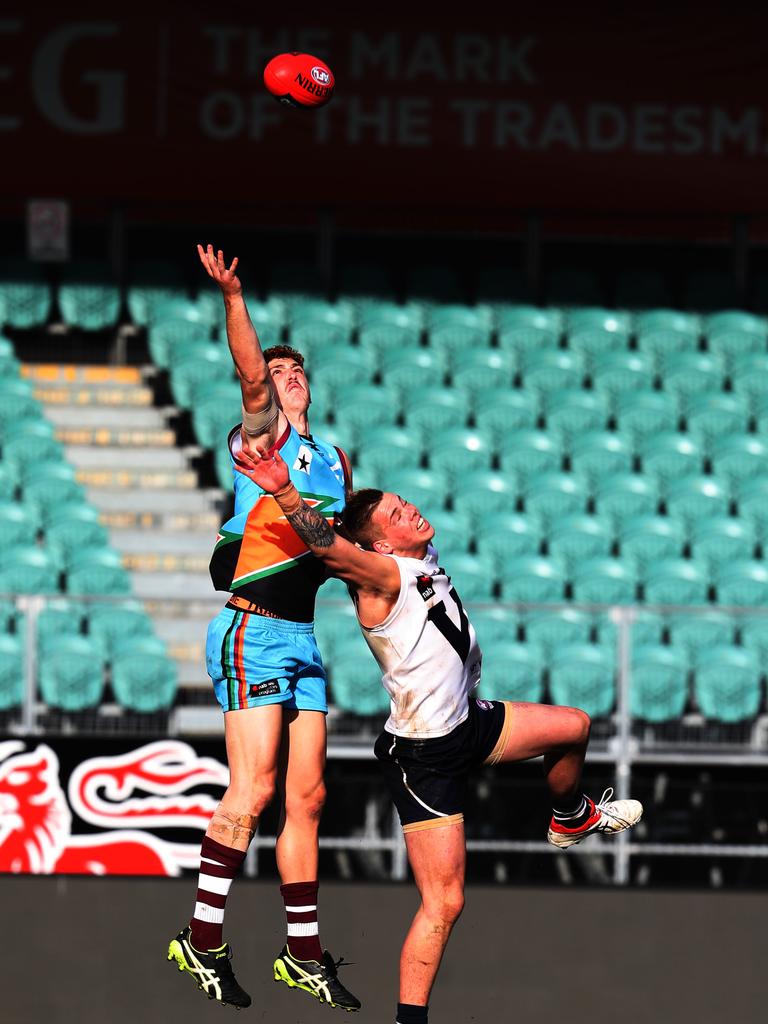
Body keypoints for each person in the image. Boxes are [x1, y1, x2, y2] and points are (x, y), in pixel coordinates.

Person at [234, 443, 643, 1024]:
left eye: (406, 505)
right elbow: (326, 543)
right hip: (425, 755)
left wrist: (335, 473)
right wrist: (282, 489)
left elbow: (349, 517)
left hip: (469, 721)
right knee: (445, 902)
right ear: (378, 545)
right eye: (396, 516)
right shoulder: (381, 575)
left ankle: (570, 816)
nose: (411, 513)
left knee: (573, 726)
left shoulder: (417, 555)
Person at [167, 246, 361, 1013]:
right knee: (251, 791)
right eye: (277, 374)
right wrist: (235, 299)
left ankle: (303, 954)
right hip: (253, 629)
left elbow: (328, 541)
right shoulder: (264, 440)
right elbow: (248, 377)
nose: (285, 379)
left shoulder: (334, 459)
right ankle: (202, 938)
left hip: (302, 636)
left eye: (294, 372)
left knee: (307, 798)